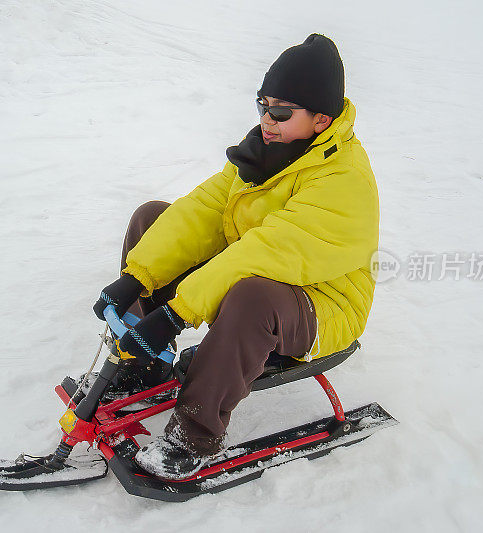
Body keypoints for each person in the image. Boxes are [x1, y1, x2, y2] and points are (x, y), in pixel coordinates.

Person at [92, 34, 379, 480]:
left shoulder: (343, 180)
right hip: (258, 271)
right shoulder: (265, 152)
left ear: (322, 119)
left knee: (251, 296)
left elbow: (267, 252)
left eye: (281, 111)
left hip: (322, 301)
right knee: (153, 218)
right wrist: (137, 278)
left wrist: (175, 313)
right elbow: (203, 212)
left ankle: (195, 433)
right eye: (262, 104)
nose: (267, 118)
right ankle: (144, 367)